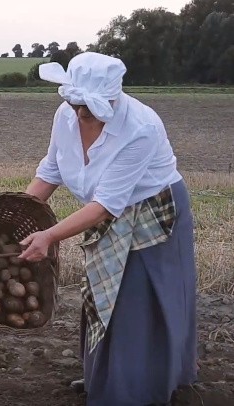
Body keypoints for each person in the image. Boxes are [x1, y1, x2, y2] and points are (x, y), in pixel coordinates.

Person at [17, 52, 197, 405]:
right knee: (102, 292)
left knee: (136, 298)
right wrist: (20, 214)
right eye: (75, 107)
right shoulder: (67, 115)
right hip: (107, 208)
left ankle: (136, 391)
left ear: (113, 100)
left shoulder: (140, 128)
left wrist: (50, 235)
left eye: (89, 110)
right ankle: (102, 378)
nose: (80, 116)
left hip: (153, 211)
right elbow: (50, 171)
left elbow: (105, 205)